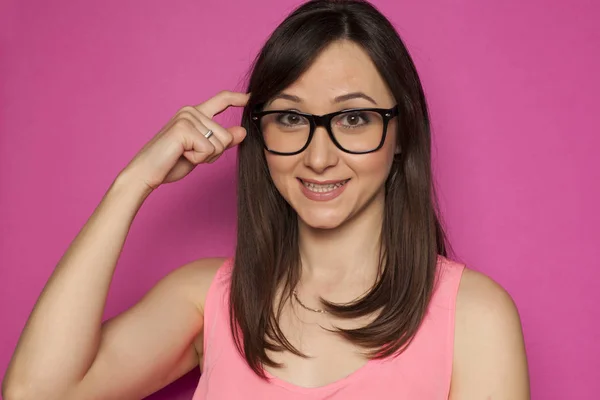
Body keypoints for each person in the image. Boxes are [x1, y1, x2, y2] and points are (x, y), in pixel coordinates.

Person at [1, 0, 530, 399]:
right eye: (292, 118)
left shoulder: (474, 317)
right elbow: (33, 394)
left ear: (402, 134)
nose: (319, 157)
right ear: (259, 133)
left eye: (353, 118)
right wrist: (132, 183)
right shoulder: (207, 299)